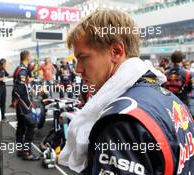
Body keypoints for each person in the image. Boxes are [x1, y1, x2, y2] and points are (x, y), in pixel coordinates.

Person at [58, 9, 194, 175]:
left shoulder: (121, 123)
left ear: (116, 51)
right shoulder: (171, 100)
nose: (78, 69)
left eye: (83, 57)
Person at [12, 50, 39, 160]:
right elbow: (21, 89)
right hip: (24, 103)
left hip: (20, 103)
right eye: (31, 55)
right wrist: (29, 103)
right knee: (31, 125)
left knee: (21, 127)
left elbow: (22, 84)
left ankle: (20, 150)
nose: (31, 57)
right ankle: (27, 152)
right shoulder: (22, 70)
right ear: (27, 57)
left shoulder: (20, 68)